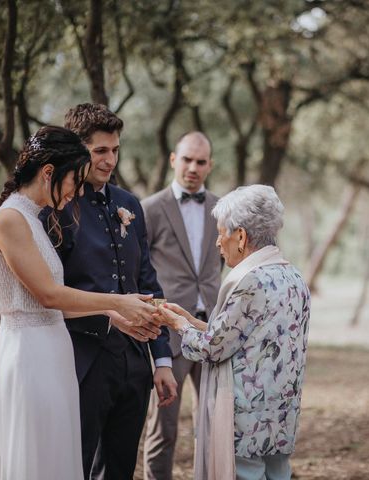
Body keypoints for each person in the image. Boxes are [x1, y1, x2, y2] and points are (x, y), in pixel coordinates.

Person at [0, 126, 157, 479]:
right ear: (48, 174)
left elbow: (52, 302)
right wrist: (118, 302)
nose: (76, 190)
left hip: (52, 354)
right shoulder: (12, 219)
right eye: (74, 179)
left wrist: (112, 312)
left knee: (57, 459)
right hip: (31, 358)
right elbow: (48, 294)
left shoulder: (32, 218)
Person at [44, 104, 178, 480]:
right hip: (82, 361)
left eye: (115, 150)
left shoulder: (129, 204)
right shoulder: (56, 208)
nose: (110, 160)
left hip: (134, 364)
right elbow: (50, 290)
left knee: (119, 469)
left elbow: (148, 283)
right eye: (100, 151)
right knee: (76, 464)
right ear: (78, 150)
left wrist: (162, 361)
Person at [155, 184, 311, 480]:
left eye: (220, 233)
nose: (217, 243)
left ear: (240, 237)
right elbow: (242, 333)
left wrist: (179, 326)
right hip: (280, 416)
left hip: (246, 420)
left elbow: (213, 348)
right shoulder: (293, 277)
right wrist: (190, 318)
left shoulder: (249, 281)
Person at [142, 132, 223, 480]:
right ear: (174, 159)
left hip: (215, 332)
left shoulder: (222, 208)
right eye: (187, 159)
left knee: (218, 425)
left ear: (210, 166)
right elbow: (138, 269)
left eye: (201, 162)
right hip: (171, 332)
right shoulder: (148, 209)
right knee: (165, 427)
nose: (193, 168)